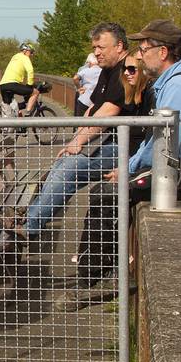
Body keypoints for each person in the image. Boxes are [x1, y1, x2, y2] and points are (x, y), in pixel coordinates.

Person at [56, 51, 155, 309]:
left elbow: (154, 142)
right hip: (133, 162)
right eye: (126, 70)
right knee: (101, 192)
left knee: (108, 196)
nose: (128, 73)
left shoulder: (151, 96)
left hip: (147, 166)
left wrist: (127, 167)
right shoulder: (134, 95)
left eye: (133, 69)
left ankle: (94, 276)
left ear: (146, 70)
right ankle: (96, 269)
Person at [19, 22, 130, 240]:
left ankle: (29, 228)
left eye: (101, 47)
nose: (96, 52)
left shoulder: (126, 71)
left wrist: (79, 142)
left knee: (70, 166)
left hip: (126, 146)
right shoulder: (107, 71)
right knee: (63, 162)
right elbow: (92, 109)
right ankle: (30, 216)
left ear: (119, 46)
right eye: (95, 47)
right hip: (109, 141)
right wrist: (76, 140)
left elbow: (107, 113)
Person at [122, 19, 181, 203]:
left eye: (143, 50)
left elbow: (164, 144)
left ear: (163, 52)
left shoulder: (179, 86)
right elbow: (154, 138)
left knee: (107, 196)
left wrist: (128, 169)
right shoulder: (171, 83)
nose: (139, 57)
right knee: (109, 191)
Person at [0, 42, 41, 116]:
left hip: (3, 85)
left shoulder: (14, 57)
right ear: (25, 51)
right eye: (31, 52)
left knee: (12, 106)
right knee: (35, 92)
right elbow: (30, 71)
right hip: (13, 84)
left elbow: (15, 73)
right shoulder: (25, 57)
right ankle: (28, 114)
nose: (31, 55)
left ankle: (15, 125)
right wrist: (29, 85)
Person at [73, 52, 101, 117]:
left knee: (80, 122)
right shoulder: (102, 71)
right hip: (96, 101)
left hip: (84, 100)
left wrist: (79, 88)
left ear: (90, 63)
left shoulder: (85, 70)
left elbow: (75, 78)